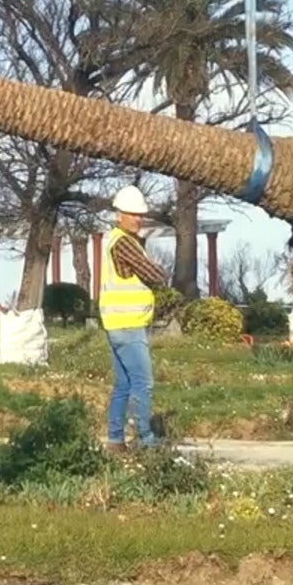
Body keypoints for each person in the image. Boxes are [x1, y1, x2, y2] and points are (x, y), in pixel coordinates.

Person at [99, 185, 166, 452]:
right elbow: (154, 274)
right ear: (119, 215)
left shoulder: (115, 240)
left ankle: (115, 440)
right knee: (143, 382)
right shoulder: (125, 243)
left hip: (116, 324)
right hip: (128, 325)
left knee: (124, 384)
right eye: (132, 214)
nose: (138, 218)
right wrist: (159, 272)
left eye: (140, 214)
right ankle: (145, 441)